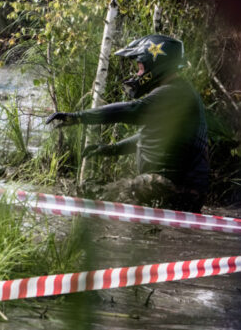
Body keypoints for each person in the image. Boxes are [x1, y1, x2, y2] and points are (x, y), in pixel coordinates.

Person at [45, 34, 209, 211]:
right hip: (180, 190)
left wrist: (78, 117)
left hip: (173, 189)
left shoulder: (174, 92)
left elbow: (133, 110)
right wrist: (111, 149)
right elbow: (148, 137)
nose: (138, 74)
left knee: (94, 194)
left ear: (155, 63)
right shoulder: (178, 91)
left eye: (140, 67)